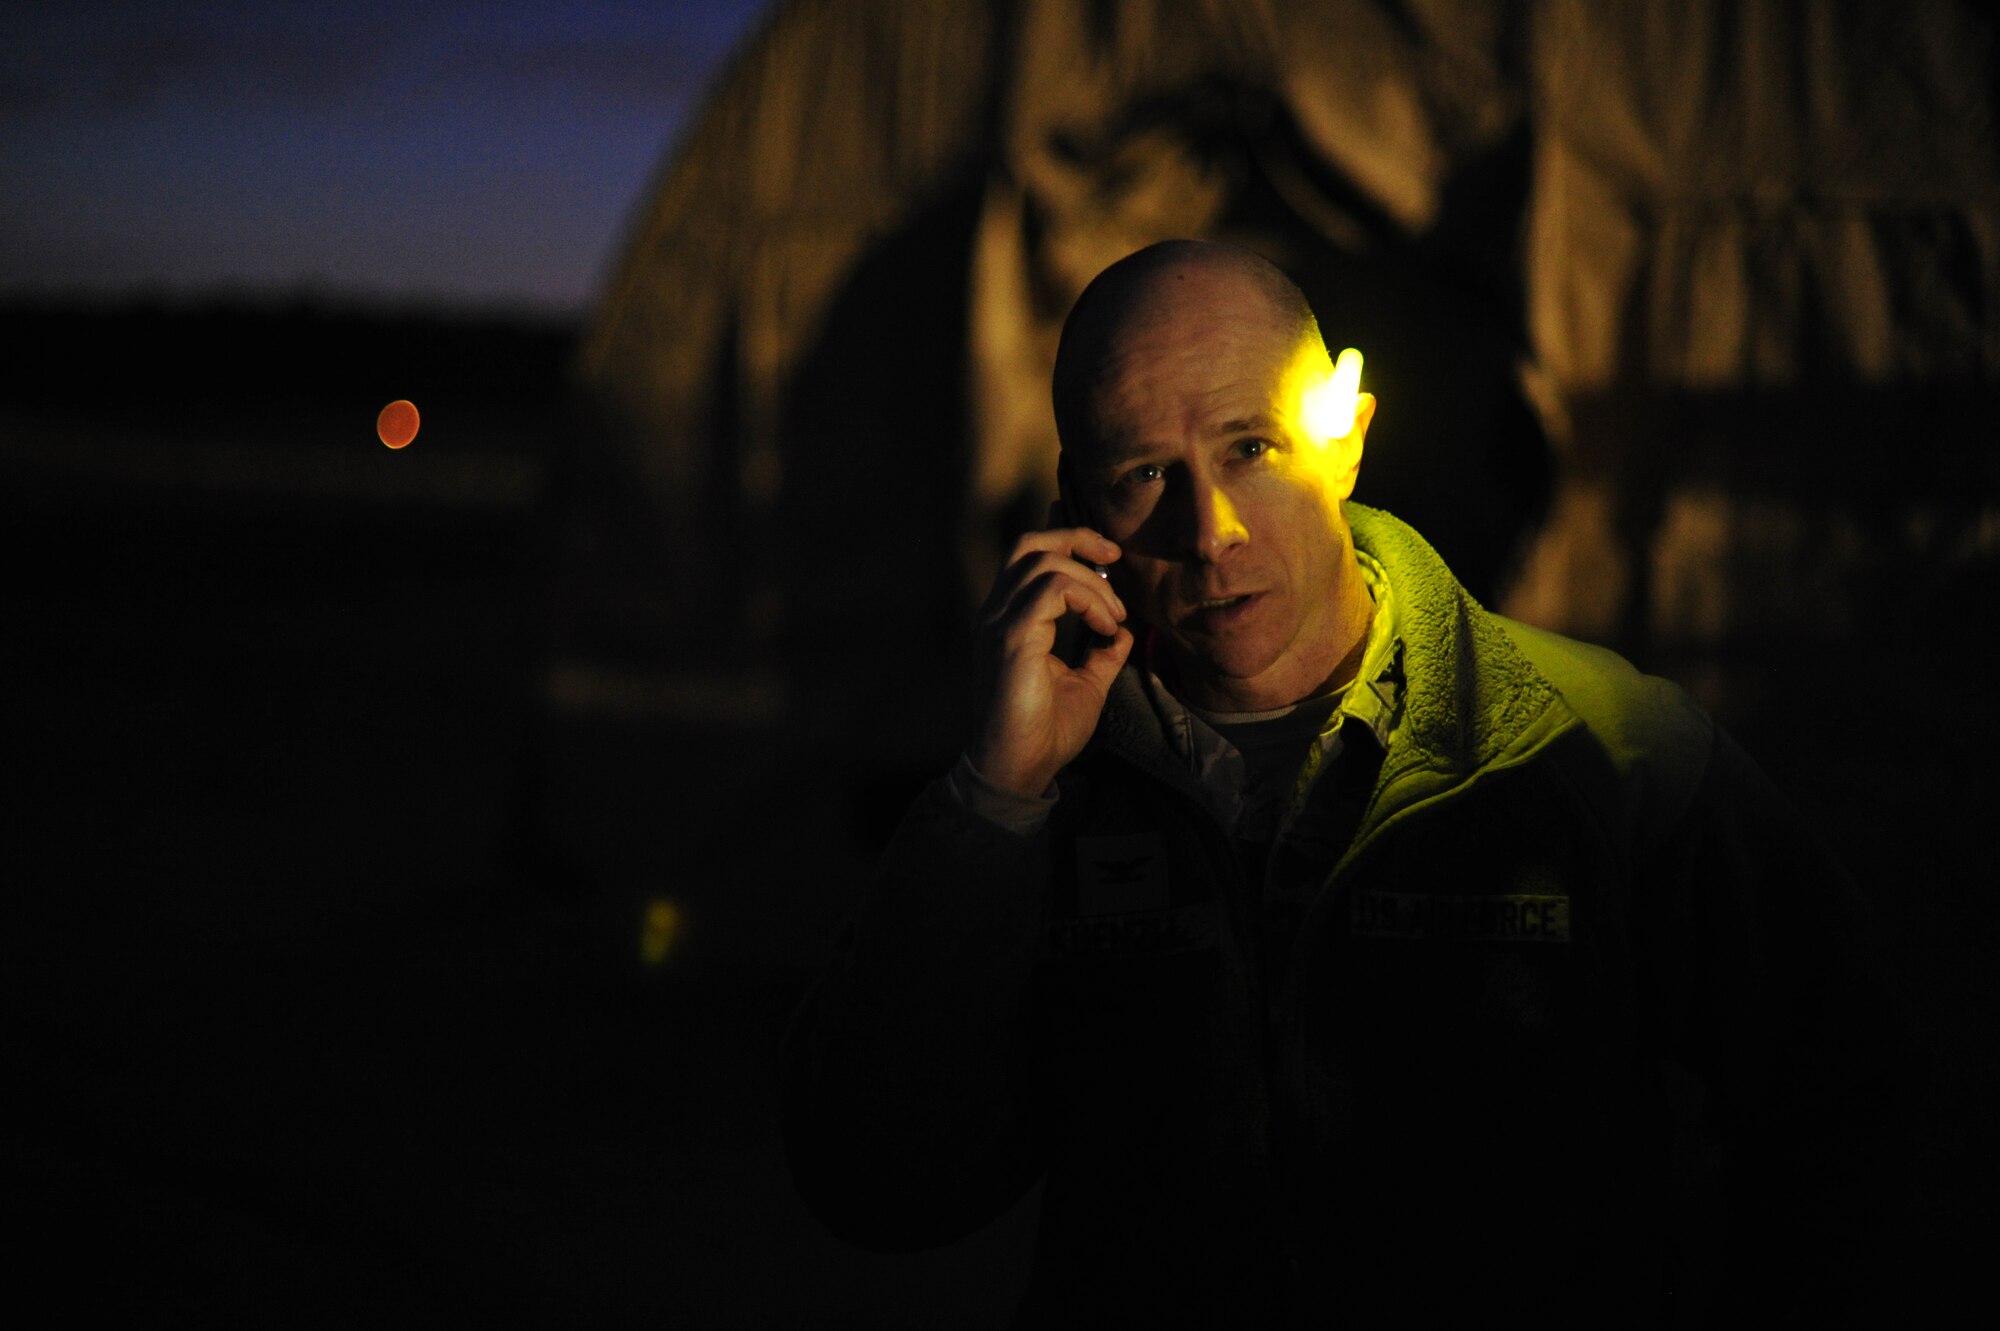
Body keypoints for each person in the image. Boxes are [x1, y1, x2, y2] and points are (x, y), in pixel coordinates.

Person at [784, 241, 1908, 1327]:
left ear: (1345, 439)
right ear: (1073, 508)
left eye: (1251, 449)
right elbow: (884, 1186)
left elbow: (1864, 1115)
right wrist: (994, 798)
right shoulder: (1038, 793)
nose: (1208, 531)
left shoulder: (1602, 752)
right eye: (1142, 475)